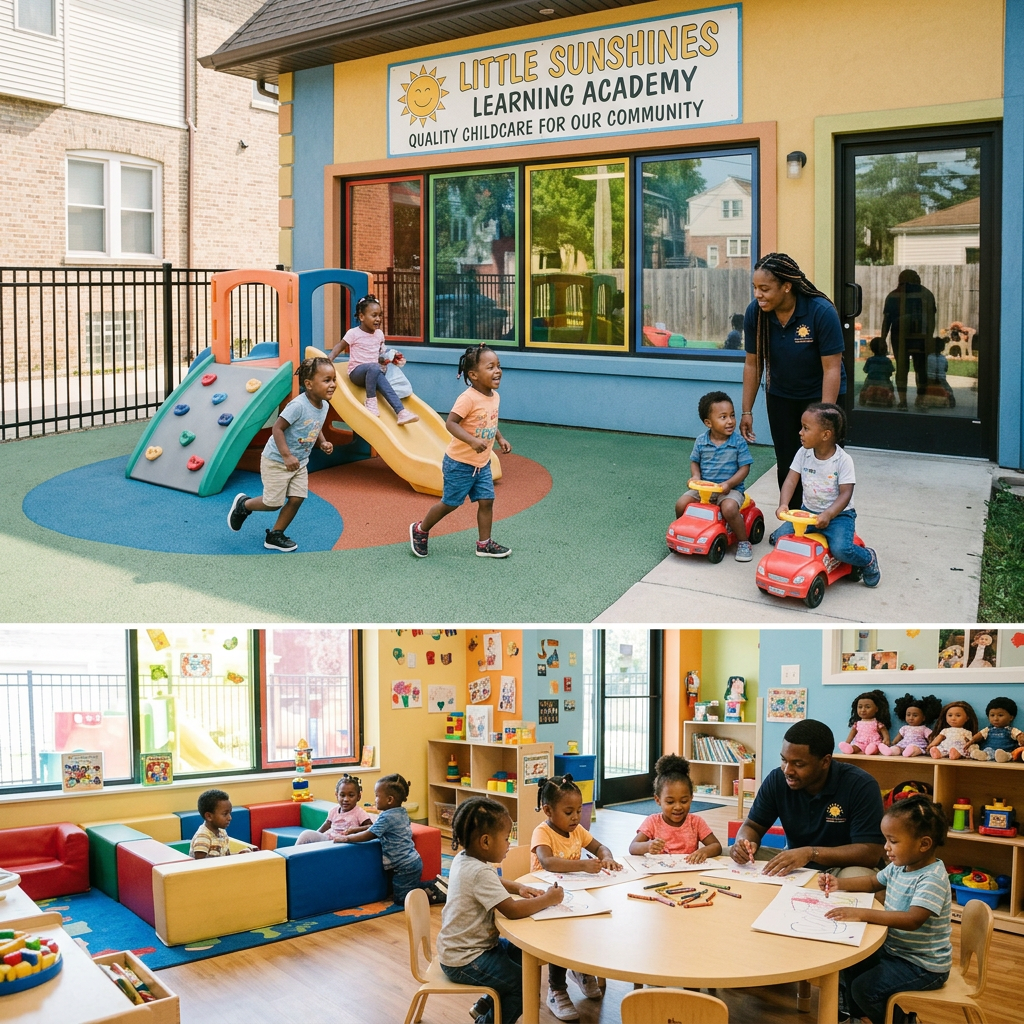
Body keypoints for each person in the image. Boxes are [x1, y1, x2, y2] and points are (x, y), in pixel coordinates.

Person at [819, 796, 951, 1024]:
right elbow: (873, 882)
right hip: (895, 951)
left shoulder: (932, 878)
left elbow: (912, 920)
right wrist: (839, 883)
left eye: (893, 841)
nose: (886, 847)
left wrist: (862, 914)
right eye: (886, 839)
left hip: (922, 965)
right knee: (849, 962)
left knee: (864, 989)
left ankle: (904, 1021)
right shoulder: (900, 867)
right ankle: (859, 1017)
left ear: (924, 844)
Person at [437, 797, 563, 1024]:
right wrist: (548, 899)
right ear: (485, 842)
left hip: (464, 949)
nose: (509, 844)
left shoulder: (465, 859)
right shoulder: (479, 872)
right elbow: (512, 910)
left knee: (523, 954)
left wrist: (519, 887)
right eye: (506, 838)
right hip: (466, 958)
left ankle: (484, 1005)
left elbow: (494, 881)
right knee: (523, 986)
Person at [739, 252, 846, 514]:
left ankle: (827, 519)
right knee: (788, 461)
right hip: (781, 395)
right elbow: (753, 364)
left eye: (765, 288)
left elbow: (832, 368)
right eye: (755, 287)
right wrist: (746, 410)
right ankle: (794, 518)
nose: (758, 295)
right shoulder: (756, 313)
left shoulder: (820, 311)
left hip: (821, 396)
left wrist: (825, 417)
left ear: (786, 286)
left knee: (824, 460)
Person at [731, 719, 884, 877]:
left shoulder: (861, 785)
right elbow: (752, 826)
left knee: (858, 878)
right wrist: (743, 844)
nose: (787, 770)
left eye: (798, 764)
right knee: (726, 855)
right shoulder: (777, 779)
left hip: (843, 867)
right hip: (796, 863)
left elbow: (870, 852)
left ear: (825, 762)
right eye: (784, 760)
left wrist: (810, 853)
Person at [531, 775, 621, 1021]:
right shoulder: (542, 832)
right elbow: (548, 862)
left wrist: (607, 857)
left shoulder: (578, 831)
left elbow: (600, 847)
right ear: (548, 811)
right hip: (545, 899)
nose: (575, 817)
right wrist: (583, 865)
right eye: (569, 812)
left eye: (579, 811)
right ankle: (556, 989)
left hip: (573, 895)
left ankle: (580, 970)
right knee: (561, 936)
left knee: (591, 925)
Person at [410, 344, 513, 560]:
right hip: (459, 463)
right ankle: (420, 529)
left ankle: (484, 544)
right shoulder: (468, 398)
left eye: (498, 366)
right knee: (450, 503)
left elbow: (490, 420)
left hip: (481, 463)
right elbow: (451, 423)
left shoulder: (494, 396)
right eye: (490, 367)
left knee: (486, 501)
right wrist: (472, 440)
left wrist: (500, 438)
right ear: (473, 375)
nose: (497, 371)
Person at [227, 356, 336, 553]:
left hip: (299, 463)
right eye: (327, 380)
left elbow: (316, 425)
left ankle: (275, 534)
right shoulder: (298, 406)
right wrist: (286, 456)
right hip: (277, 460)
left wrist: (323, 442)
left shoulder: (324, 405)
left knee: (297, 498)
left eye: (333, 379)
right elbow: (277, 428)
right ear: (309, 384)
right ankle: (244, 505)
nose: (333, 384)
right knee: (272, 503)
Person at [774, 403, 880, 586]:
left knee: (841, 550)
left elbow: (846, 494)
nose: (800, 432)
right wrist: (784, 504)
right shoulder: (803, 453)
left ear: (825, 435)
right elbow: (791, 480)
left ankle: (867, 558)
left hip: (839, 516)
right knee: (780, 539)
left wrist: (829, 514)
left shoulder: (843, 460)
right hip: (808, 512)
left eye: (806, 428)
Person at [339, 773, 444, 905]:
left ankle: (435, 889)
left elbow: (370, 834)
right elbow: (374, 827)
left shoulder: (386, 817)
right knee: (405, 889)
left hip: (404, 866)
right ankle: (433, 885)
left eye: (377, 796)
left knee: (402, 899)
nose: (375, 799)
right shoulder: (400, 812)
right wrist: (356, 829)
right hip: (411, 861)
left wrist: (347, 839)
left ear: (389, 800)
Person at [675, 391, 755, 561]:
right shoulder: (701, 441)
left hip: (730, 490)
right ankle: (686, 532)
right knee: (681, 503)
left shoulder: (738, 442)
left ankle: (743, 542)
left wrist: (729, 484)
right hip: (704, 488)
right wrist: (695, 476)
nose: (730, 421)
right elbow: (695, 461)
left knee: (729, 508)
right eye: (723, 417)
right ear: (708, 422)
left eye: (732, 415)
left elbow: (745, 468)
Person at [328, 294, 418, 424]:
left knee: (382, 377)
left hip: (374, 373)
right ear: (361, 317)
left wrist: (391, 357)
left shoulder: (379, 334)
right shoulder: (353, 333)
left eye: (380, 315)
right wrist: (329, 359)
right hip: (357, 374)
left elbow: (381, 354)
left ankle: (401, 412)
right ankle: (370, 401)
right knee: (375, 367)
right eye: (374, 315)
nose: (378, 319)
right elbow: (340, 346)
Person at [627, 753, 722, 861]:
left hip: (688, 869)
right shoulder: (652, 822)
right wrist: (648, 846)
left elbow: (716, 846)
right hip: (661, 870)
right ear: (658, 800)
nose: (678, 807)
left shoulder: (696, 822)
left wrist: (703, 851)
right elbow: (633, 847)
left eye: (684, 801)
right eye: (670, 802)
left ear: (691, 798)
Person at [880, 269, 936, 410]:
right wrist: (929, 337)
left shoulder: (894, 295)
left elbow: (887, 320)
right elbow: (931, 320)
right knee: (920, 369)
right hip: (919, 338)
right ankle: (919, 401)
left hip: (900, 338)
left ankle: (904, 402)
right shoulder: (927, 294)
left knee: (903, 368)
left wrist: (883, 338)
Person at [294, 774, 372, 845]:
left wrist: (355, 830)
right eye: (342, 795)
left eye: (351, 795)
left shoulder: (359, 812)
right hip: (329, 840)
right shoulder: (334, 810)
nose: (346, 799)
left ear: (358, 797)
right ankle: (294, 853)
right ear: (336, 795)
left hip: (344, 843)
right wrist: (315, 835)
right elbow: (326, 825)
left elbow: (371, 827)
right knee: (306, 835)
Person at [189, 789, 254, 859]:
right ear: (209, 816)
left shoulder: (222, 832)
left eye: (229, 813)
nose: (230, 818)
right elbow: (200, 863)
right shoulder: (203, 837)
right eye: (225, 814)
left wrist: (239, 854)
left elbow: (225, 857)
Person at [859, 337, 895, 407]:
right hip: (884, 382)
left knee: (864, 389)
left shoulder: (870, 360)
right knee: (891, 389)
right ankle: (890, 402)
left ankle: (862, 401)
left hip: (870, 381)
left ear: (872, 349)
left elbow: (865, 370)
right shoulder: (887, 361)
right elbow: (890, 372)